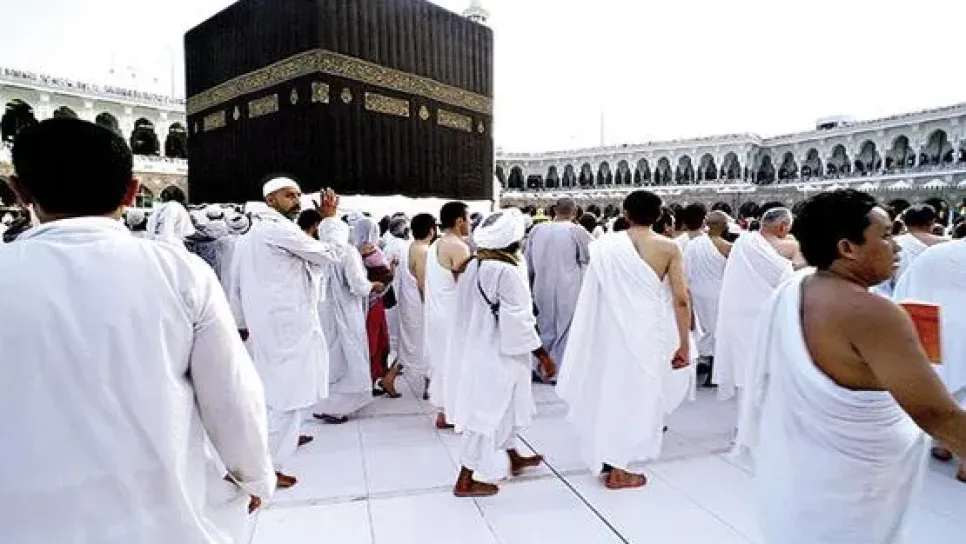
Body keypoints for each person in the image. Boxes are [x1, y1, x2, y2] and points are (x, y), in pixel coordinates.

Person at [0, 118, 275, 542]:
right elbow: (232, 394)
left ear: (19, 191)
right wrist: (253, 476)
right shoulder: (180, 273)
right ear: (132, 191)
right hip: (165, 519)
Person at [734, 189, 966, 543]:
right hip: (855, 490)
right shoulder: (873, 312)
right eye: (885, 236)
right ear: (847, 248)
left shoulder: (796, 288)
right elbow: (938, 415)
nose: (897, 246)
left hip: (803, 477)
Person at [557, 190, 691, 490]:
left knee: (610, 391)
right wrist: (684, 343)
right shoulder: (668, 247)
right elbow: (681, 299)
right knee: (637, 394)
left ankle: (609, 455)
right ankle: (619, 468)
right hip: (647, 333)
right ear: (659, 215)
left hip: (610, 332)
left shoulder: (606, 246)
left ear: (625, 214)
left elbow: (593, 296)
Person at [230, 177, 345, 489]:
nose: (296, 200)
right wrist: (331, 221)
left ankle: (263, 459)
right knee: (288, 399)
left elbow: (235, 284)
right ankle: (264, 470)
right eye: (288, 195)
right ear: (270, 200)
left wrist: (241, 323)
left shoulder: (252, 235)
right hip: (287, 330)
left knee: (274, 397)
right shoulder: (276, 230)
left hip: (270, 327)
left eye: (297, 195)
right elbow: (331, 254)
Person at [449, 209, 557, 497]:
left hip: (482, 346)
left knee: (506, 406)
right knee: (487, 411)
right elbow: (519, 321)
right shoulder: (507, 271)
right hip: (499, 352)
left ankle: (513, 456)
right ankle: (465, 479)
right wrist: (543, 355)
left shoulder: (476, 264)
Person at [895, 237, 966, 482]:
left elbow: (906, 291)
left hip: (935, 330)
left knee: (942, 382)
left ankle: (944, 442)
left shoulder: (937, 253)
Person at [713, 207, 796, 400]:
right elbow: (788, 276)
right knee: (769, 367)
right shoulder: (789, 247)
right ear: (783, 226)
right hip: (768, 314)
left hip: (739, 311)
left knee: (747, 367)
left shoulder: (744, 242)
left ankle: (747, 412)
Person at [311, 217, 384, 424]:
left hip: (324, 310)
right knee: (349, 356)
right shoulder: (347, 251)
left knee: (331, 357)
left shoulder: (318, 250)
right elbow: (358, 285)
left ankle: (324, 404)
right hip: (346, 310)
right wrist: (373, 285)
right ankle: (338, 409)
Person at [525, 197, 593, 377]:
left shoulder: (537, 230)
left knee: (543, 326)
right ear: (575, 211)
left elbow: (527, 263)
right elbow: (593, 255)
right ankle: (558, 371)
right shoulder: (576, 231)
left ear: (554, 210)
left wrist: (528, 287)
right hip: (569, 288)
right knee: (564, 330)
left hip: (541, 287)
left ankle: (539, 368)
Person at [425, 201, 472, 429]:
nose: (470, 223)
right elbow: (465, 285)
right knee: (456, 361)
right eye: (468, 219)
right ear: (459, 220)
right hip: (452, 313)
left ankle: (444, 411)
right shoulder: (458, 247)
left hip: (436, 312)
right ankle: (456, 413)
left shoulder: (435, 243)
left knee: (442, 361)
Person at [349, 215, 401, 398]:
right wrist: (390, 269)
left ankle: (370, 380)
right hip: (373, 302)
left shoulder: (354, 251)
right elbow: (385, 278)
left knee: (373, 340)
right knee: (375, 340)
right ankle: (370, 380)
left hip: (368, 301)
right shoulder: (370, 252)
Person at [683, 210, 732, 384]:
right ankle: (713, 372)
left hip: (696, 292)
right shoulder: (727, 247)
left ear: (706, 224)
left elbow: (685, 270)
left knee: (700, 329)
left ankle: (700, 362)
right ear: (725, 226)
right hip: (719, 293)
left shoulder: (693, 245)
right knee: (717, 331)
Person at [400, 213, 437, 399]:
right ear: (431, 230)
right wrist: (428, 306)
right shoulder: (423, 251)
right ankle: (428, 385)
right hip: (421, 305)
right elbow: (422, 283)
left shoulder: (410, 246)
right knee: (427, 345)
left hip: (411, 303)